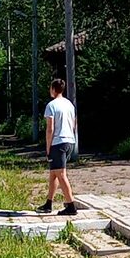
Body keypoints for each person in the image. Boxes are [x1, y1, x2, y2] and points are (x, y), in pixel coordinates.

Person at [36, 77, 78, 215]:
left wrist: (48, 147)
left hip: (58, 142)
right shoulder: (69, 105)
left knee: (60, 174)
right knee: (54, 173)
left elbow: (50, 128)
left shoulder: (51, 105)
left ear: (53, 89)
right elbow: (74, 124)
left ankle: (71, 206)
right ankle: (49, 203)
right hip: (69, 141)